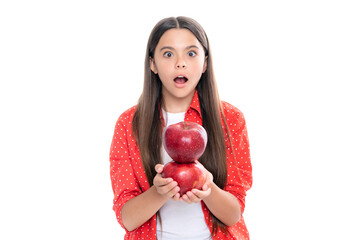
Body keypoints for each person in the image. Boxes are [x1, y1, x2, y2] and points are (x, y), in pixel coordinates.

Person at [109, 16, 252, 240]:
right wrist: (159, 192)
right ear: (152, 63)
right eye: (168, 54)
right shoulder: (129, 124)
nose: (180, 63)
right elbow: (127, 218)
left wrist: (207, 186)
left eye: (191, 53)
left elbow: (234, 214)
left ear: (205, 62)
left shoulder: (230, 119)